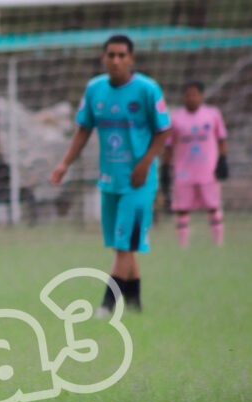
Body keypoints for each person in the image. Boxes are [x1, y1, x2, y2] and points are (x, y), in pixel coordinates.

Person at [50, 34, 171, 315]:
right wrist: (64, 164)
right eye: (111, 55)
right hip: (109, 180)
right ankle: (135, 305)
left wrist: (145, 164)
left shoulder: (147, 89)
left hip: (139, 182)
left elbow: (163, 130)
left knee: (123, 245)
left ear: (131, 59)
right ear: (103, 58)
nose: (115, 60)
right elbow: (83, 129)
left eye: (121, 55)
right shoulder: (95, 89)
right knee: (124, 245)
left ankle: (107, 305)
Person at [161, 80, 228, 247]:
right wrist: (164, 167)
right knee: (182, 210)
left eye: (195, 94)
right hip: (183, 173)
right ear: (183, 96)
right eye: (188, 94)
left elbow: (221, 138)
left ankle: (218, 245)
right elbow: (168, 146)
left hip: (208, 171)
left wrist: (223, 159)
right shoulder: (175, 118)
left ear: (202, 95)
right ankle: (183, 247)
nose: (191, 98)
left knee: (213, 208)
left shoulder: (213, 114)